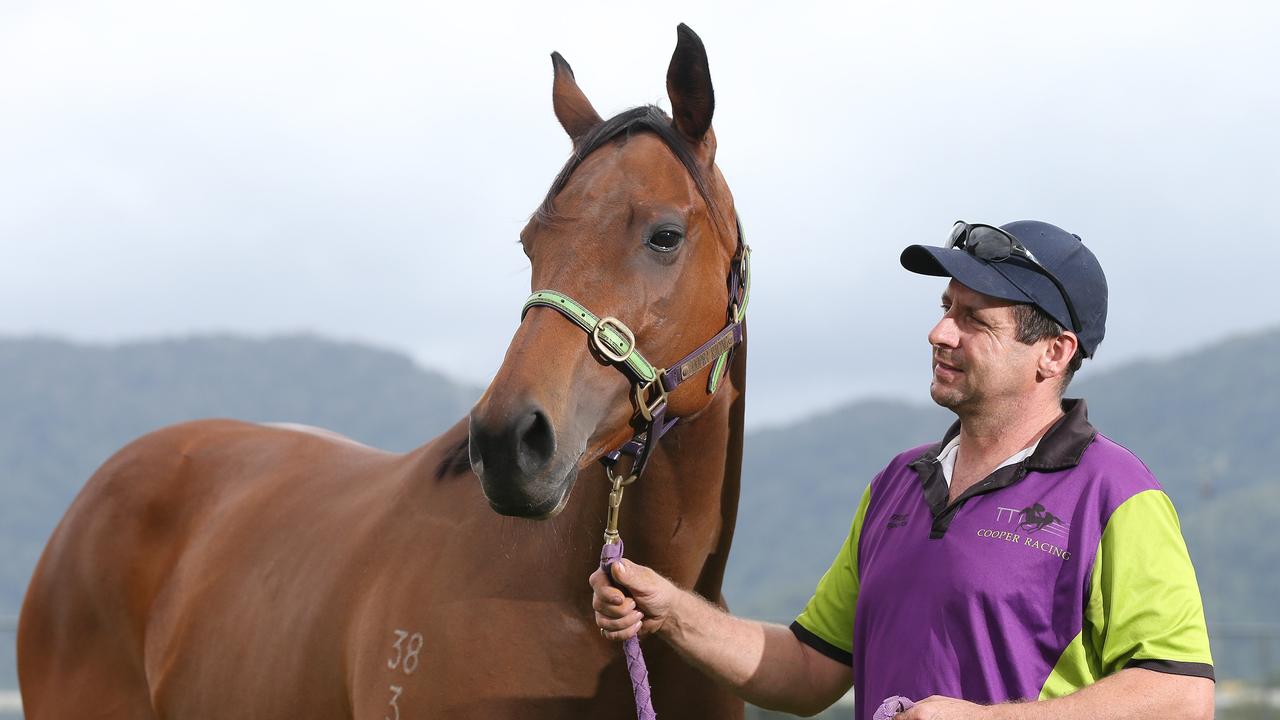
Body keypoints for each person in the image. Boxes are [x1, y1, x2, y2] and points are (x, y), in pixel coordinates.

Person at [589, 220, 1215, 719]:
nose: (940, 331)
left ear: (1052, 353)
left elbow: (1182, 700)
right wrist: (670, 609)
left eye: (975, 319)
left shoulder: (1116, 493)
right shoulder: (899, 483)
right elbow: (810, 669)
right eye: (948, 306)